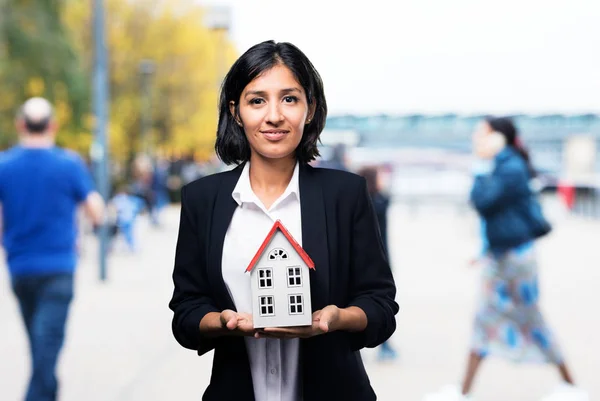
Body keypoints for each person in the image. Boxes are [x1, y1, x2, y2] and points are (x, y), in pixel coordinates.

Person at [168, 40, 398, 401]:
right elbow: (186, 312)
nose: (274, 115)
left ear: (310, 109)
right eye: (257, 100)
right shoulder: (202, 199)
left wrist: (334, 320)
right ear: (236, 111)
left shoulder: (346, 194)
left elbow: (381, 307)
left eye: (289, 99)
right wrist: (224, 322)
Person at [423, 117, 587, 401]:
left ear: (499, 138)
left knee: (528, 319)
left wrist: (481, 165)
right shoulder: (504, 165)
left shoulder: (509, 167)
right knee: (490, 319)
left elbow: (484, 202)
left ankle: (570, 384)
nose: (477, 140)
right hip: (504, 257)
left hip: (514, 261)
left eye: (482, 134)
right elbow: (489, 209)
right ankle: (464, 391)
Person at [0, 97, 104, 401]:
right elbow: (96, 209)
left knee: (40, 347)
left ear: (21, 125)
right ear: (53, 126)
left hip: (20, 269)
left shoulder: (4, 165)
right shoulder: (68, 164)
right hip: (58, 269)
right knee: (45, 351)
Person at [357, 165, 398, 361]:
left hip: (361, 260)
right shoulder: (378, 201)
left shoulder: (358, 203)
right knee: (381, 303)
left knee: (367, 303)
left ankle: (374, 345)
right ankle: (385, 346)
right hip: (379, 259)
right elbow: (388, 197)